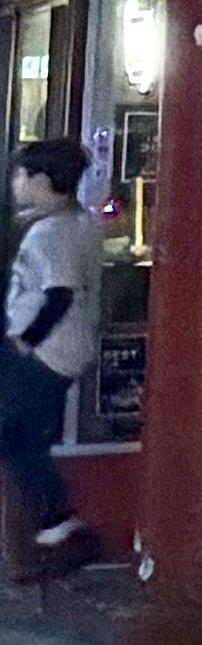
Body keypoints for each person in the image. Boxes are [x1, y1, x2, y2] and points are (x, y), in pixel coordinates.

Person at [5, 141, 93, 581]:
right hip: (61, 351)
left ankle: (60, 524)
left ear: (41, 180)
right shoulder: (78, 224)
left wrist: (27, 340)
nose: (16, 184)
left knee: (16, 437)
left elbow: (60, 292)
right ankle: (56, 525)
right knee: (21, 437)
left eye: (21, 175)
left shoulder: (50, 233)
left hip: (45, 352)